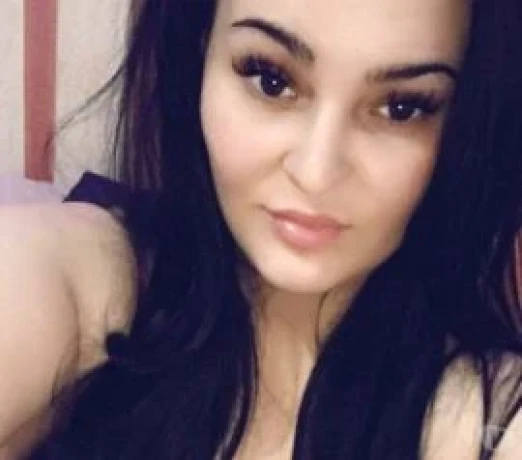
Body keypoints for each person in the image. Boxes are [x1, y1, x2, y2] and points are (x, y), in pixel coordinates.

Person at [1, 0, 521, 458]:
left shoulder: (488, 419)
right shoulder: (87, 277)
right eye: (271, 79)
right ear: (199, 53)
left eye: (401, 108)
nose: (316, 173)